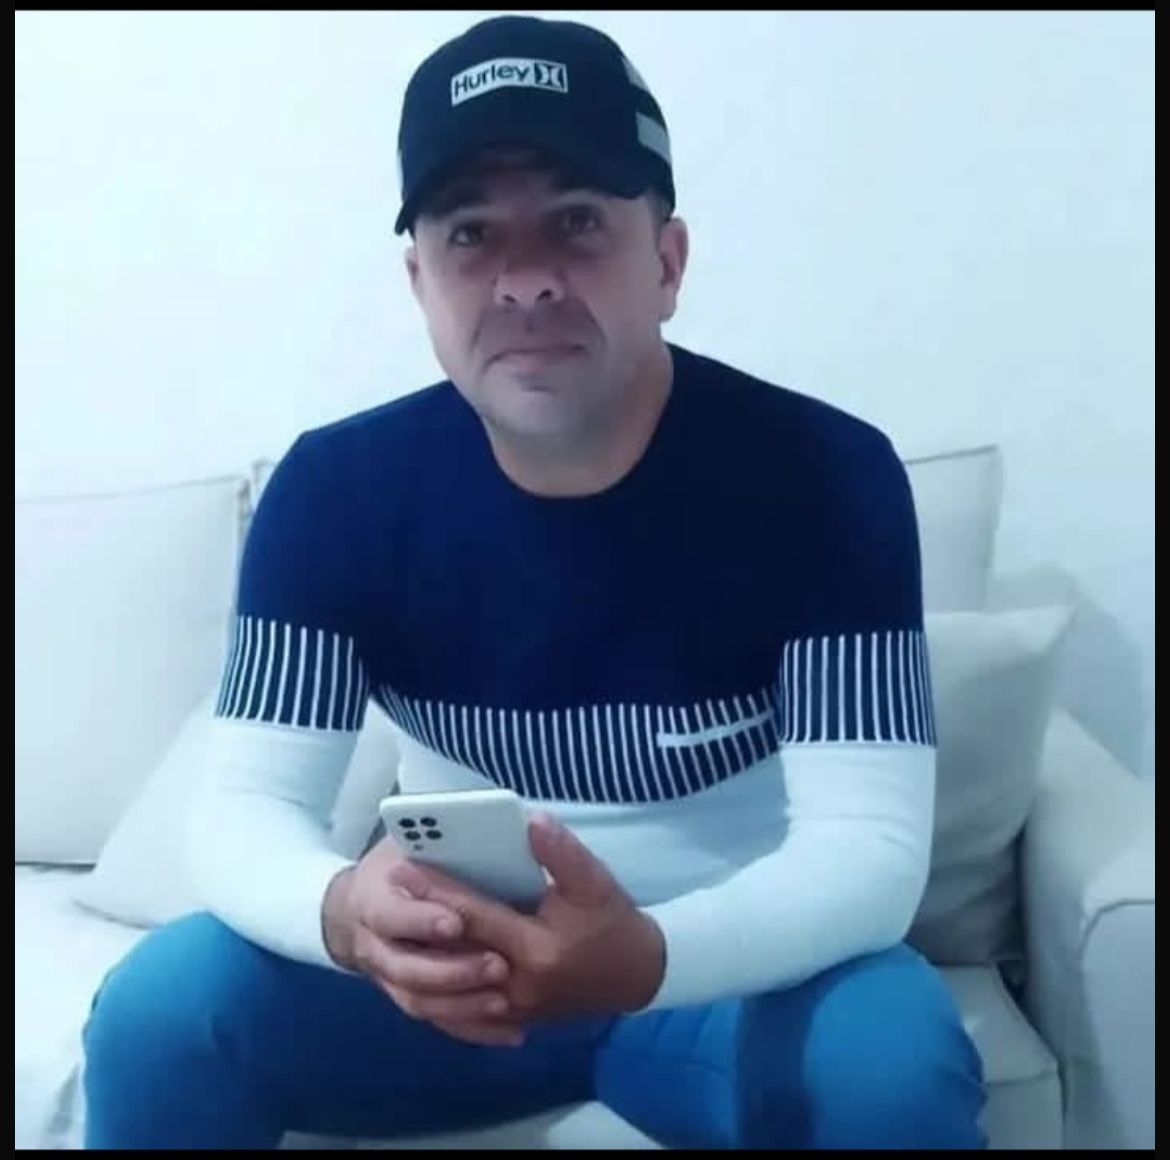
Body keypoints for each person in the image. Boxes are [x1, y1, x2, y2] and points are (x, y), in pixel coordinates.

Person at [81, 14, 986, 1150]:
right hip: (457, 972)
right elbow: (243, 810)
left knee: (891, 1064)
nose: (524, 283)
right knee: (162, 1012)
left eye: (576, 223)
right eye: (471, 235)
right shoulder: (334, 491)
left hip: (727, 974)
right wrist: (346, 912)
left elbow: (868, 852)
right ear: (419, 279)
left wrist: (648, 956)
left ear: (667, 261)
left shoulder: (825, 475)